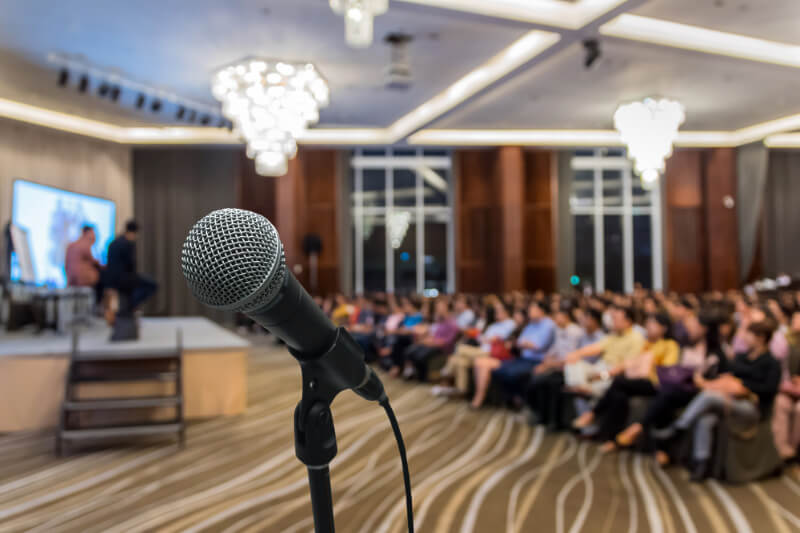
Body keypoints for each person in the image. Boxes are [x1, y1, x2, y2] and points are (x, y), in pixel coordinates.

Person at [669, 321, 781, 481]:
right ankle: (702, 463)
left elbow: (769, 389)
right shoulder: (742, 357)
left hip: (752, 407)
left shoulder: (771, 363)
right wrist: (729, 384)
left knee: (709, 395)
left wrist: (743, 386)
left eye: (748, 334)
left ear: (761, 338)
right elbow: (728, 373)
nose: (743, 337)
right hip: (730, 402)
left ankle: (679, 427)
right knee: (705, 419)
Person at [572, 313, 679, 450]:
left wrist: (650, 361)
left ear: (664, 328)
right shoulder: (647, 343)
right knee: (618, 396)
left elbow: (667, 370)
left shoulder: (670, 345)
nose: (648, 326)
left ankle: (593, 413)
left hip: (655, 383)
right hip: (639, 380)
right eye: (648, 322)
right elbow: (632, 363)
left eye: (653, 323)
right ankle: (613, 439)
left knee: (618, 382)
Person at [471, 300, 555, 409]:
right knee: (500, 369)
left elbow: (539, 345)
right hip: (524, 358)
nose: (529, 311)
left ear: (541, 310)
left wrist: (526, 344)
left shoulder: (548, 324)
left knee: (510, 372)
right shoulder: (531, 324)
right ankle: (515, 398)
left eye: (532, 309)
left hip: (536, 360)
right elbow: (520, 341)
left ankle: (518, 399)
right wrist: (525, 344)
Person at [433, 302, 517, 397]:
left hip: (491, 353)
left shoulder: (510, 323)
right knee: (460, 361)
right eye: (496, 311)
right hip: (481, 350)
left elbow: (502, 339)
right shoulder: (494, 325)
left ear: (506, 312)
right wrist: (480, 337)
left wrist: (488, 339)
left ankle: (444, 373)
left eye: (499, 310)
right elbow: (483, 338)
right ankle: (461, 390)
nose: (497, 312)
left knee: (460, 348)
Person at [563, 306, 646, 398]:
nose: (613, 322)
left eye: (616, 319)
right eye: (613, 319)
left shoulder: (636, 338)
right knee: (573, 362)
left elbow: (627, 364)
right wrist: (576, 353)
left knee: (605, 383)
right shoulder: (613, 335)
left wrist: (605, 375)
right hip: (600, 366)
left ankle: (588, 390)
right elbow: (595, 348)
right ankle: (579, 387)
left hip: (614, 372)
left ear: (628, 321)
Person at [401, 299, 460, 381]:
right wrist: (425, 339)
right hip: (432, 343)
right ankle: (413, 374)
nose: (439, 309)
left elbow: (446, 342)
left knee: (419, 355)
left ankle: (422, 378)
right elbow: (432, 333)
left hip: (442, 348)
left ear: (447, 308)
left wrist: (429, 342)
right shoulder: (439, 320)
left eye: (441, 307)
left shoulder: (452, 323)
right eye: (437, 307)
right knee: (409, 351)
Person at [105, 220, 157, 313]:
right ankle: (130, 306)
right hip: (123, 279)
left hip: (112, 279)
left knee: (137, 283)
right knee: (152, 285)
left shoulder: (114, 243)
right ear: (134, 232)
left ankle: (129, 306)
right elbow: (130, 265)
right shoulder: (127, 244)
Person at [773, 310, 800, 462]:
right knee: (781, 403)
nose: (796, 321)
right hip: (788, 388)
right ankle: (782, 450)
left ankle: (793, 449)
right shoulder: (784, 340)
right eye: (795, 317)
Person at [64, 225, 103, 303]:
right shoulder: (85, 245)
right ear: (88, 233)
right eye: (93, 233)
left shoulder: (72, 245)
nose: (95, 236)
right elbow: (93, 261)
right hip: (82, 279)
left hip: (70, 279)